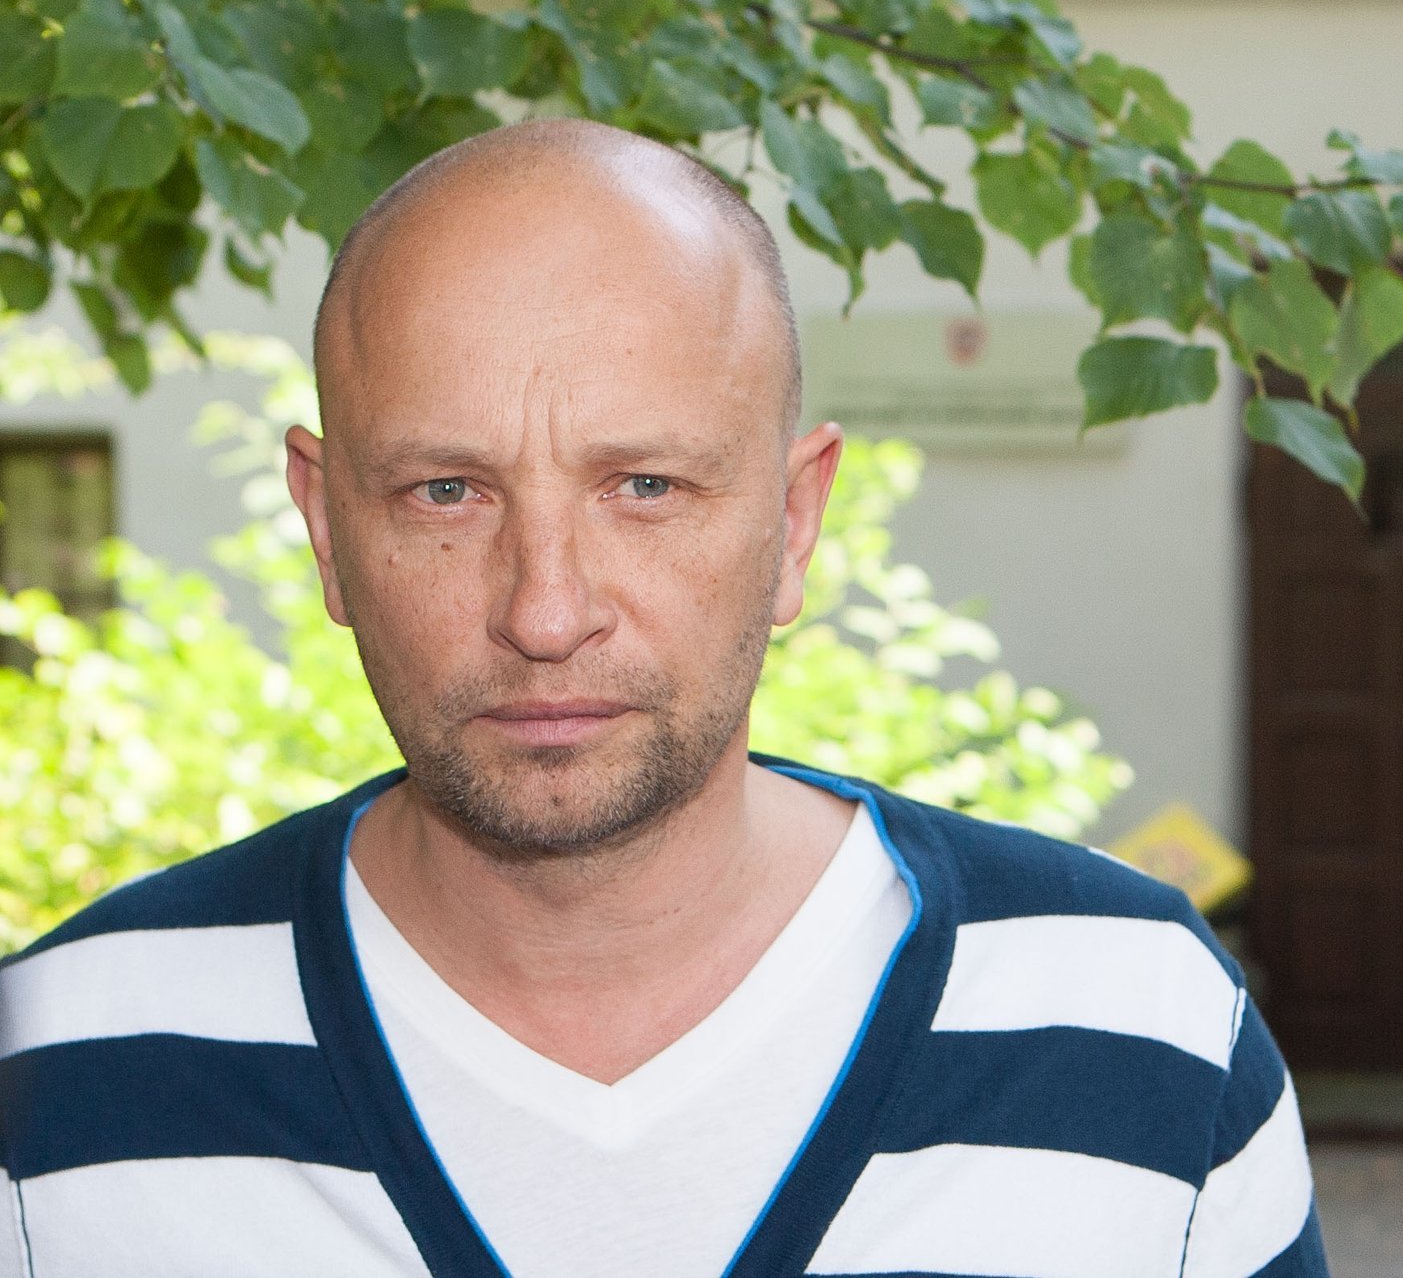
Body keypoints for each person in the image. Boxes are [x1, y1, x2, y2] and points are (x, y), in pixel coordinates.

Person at [0, 121, 1326, 1277]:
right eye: (445, 491)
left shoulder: (1142, 1031)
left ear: (793, 522)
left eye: (645, 486)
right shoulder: (59, 1065)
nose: (546, 610)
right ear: (327, 525)